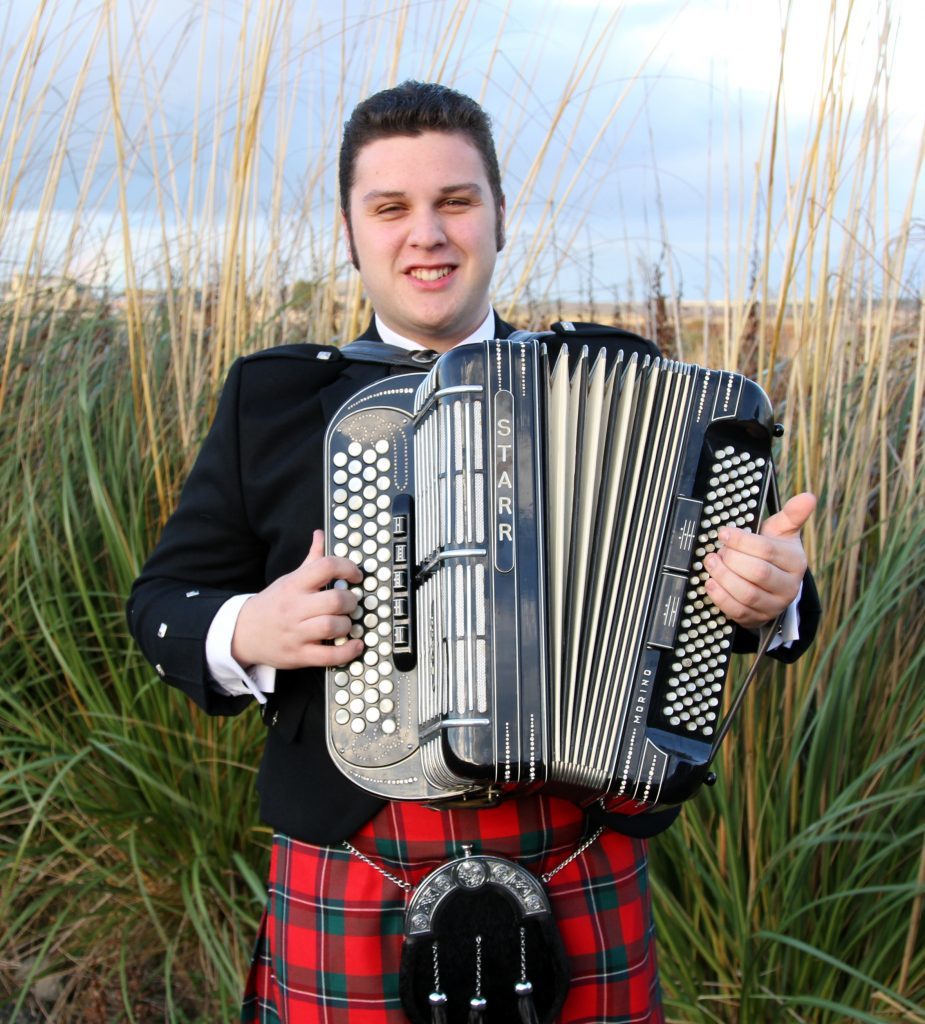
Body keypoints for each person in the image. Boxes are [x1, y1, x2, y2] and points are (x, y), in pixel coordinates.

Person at [127, 81, 819, 1023]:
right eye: (391, 208)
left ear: (499, 217)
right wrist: (254, 624)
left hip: (580, 834)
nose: (428, 234)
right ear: (350, 231)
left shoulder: (623, 381)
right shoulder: (273, 400)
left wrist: (770, 596)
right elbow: (162, 602)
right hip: (354, 848)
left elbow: (760, 583)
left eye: (455, 201)